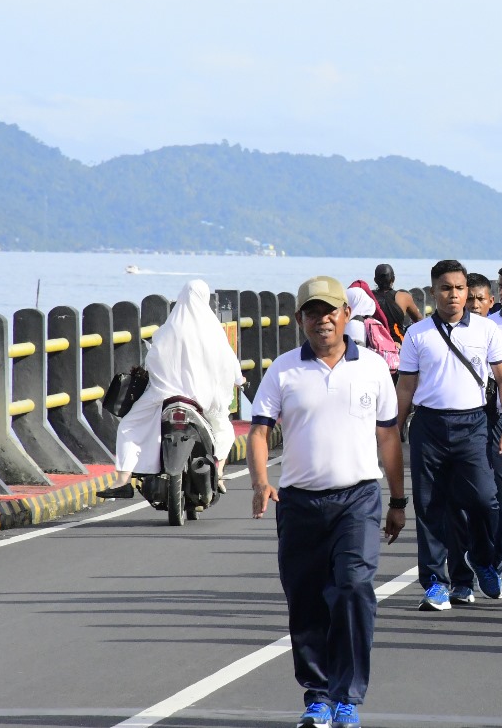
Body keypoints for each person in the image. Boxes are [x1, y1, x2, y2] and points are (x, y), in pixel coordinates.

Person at [246, 276, 406, 728]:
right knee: (306, 600)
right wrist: (260, 482)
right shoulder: (283, 369)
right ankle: (317, 695)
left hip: (357, 499)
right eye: (313, 312)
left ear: (347, 315)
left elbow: (388, 435)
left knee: (354, 588)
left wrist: (398, 500)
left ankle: (348, 698)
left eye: (331, 310)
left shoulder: (373, 366)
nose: (323, 319)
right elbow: (259, 430)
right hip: (298, 503)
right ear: (300, 319)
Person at [395, 260, 502, 610]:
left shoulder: (486, 331)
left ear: (468, 292)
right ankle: (435, 582)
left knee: (486, 501)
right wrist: (394, 430)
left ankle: (481, 559)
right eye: (446, 288)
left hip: (474, 424)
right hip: (429, 426)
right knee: (430, 505)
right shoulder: (418, 334)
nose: (453, 294)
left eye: (459, 288)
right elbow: (406, 386)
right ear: (433, 292)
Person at [98, 279, 242, 499]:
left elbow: (154, 359)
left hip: (165, 396)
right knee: (223, 428)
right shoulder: (214, 331)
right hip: (203, 399)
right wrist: (239, 380)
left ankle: (122, 480)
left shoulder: (170, 328)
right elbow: (229, 364)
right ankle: (219, 474)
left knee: (129, 426)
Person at [450, 273, 502, 603]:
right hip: (458, 423)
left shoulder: (499, 336)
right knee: (456, 503)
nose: (475, 304)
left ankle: (488, 560)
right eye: (471, 299)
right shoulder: (445, 334)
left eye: (481, 299)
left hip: (495, 421)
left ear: (490, 301)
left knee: (497, 495)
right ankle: (459, 579)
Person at [372, 264, 422, 343]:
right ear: (393, 279)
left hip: (375, 342)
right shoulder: (404, 297)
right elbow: (419, 320)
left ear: (375, 280)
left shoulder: (368, 297)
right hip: (398, 343)